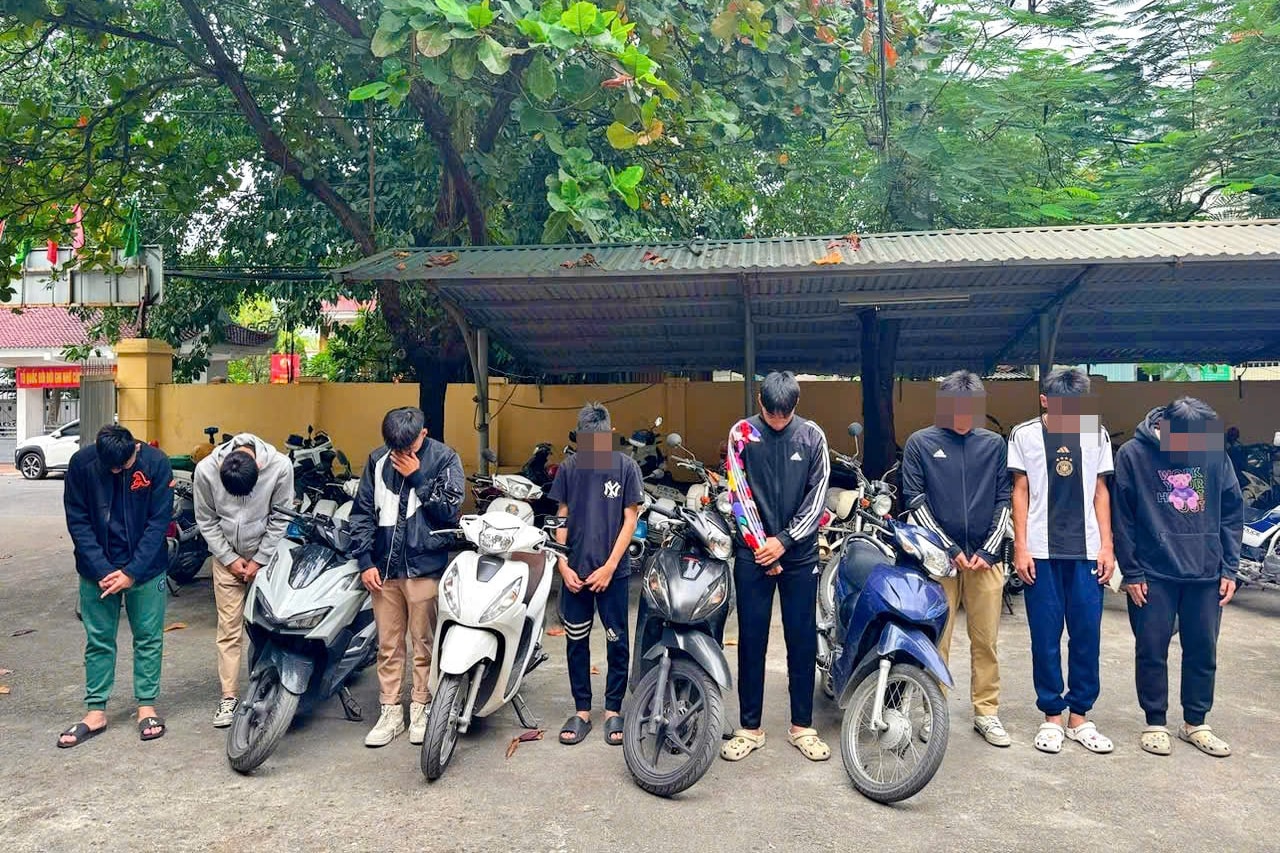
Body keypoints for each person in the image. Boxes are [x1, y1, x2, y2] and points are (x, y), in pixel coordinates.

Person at [1113, 397, 1243, 757]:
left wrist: (1229, 567)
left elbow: (1232, 511)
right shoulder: (1134, 455)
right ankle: (1155, 722)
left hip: (1206, 571)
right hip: (1153, 573)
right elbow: (1122, 517)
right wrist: (1132, 571)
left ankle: (1195, 723)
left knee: (1203, 648)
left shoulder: (1213, 450)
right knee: (1152, 648)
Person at [721, 371, 831, 763]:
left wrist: (783, 542)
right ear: (760, 403)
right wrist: (760, 546)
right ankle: (749, 728)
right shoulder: (741, 435)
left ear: (795, 406)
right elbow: (738, 491)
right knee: (752, 639)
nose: (778, 422)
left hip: (798, 553)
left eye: (785, 416)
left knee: (801, 639)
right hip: (753, 554)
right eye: (771, 415)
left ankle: (802, 726)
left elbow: (817, 496)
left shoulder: (812, 436)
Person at [1008, 367, 1117, 755]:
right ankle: (1052, 715)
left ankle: (1080, 717)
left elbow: (1101, 492)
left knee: (1087, 635)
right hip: (1041, 550)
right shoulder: (1024, 435)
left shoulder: (1095, 433)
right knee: (1045, 636)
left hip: (1087, 549)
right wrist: (1020, 546)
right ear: (1044, 401)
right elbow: (1020, 491)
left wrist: (1107, 546)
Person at [901, 370, 1012, 747]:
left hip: (986, 561)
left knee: (986, 641)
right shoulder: (921, 443)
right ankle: (935, 712)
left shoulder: (994, 444)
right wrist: (949, 549)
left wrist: (987, 551)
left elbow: (1003, 498)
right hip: (939, 562)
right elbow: (914, 501)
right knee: (937, 641)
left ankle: (987, 712)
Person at [349, 407, 463, 747]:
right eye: (393, 447)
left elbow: (450, 511)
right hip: (383, 569)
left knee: (423, 642)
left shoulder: (444, 458)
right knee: (388, 644)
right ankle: (390, 711)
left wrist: (417, 477)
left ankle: (422, 706)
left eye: (407, 447)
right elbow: (363, 511)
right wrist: (365, 560)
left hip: (423, 567)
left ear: (423, 435)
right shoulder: (376, 460)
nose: (399, 454)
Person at [58, 425, 174, 748]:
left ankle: (146, 706)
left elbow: (158, 523)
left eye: (121, 467)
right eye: (108, 467)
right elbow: (77, 521)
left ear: (135, 451)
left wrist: (132, 572)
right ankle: (95, 711)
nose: (115, 472)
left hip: (146, 570)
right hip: (98, 572)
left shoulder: (155, 464)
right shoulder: (81, 465)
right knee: (99, 640)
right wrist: (104, 570)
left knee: (148, 638)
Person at [549, 402, 643, 746]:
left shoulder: (626, 467)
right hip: (575, 572)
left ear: (610, 436)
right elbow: (562, 514)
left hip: (612, 575)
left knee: (617, 641)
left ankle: (614, 710)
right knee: (576, 643)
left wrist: (609, 567)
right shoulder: (569, 468)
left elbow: (630, 519)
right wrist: (562, 563)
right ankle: (583, 710)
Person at [193, 433, 295, 727]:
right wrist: (229, 559)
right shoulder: (206, 471)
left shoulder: (280, 467)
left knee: (272, 625)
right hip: (227, 558)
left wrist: (259, 559)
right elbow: (207, 520)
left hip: (267, 557)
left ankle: (269, 689)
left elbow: (280, 517)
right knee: (229, 628)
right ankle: (229, 697)